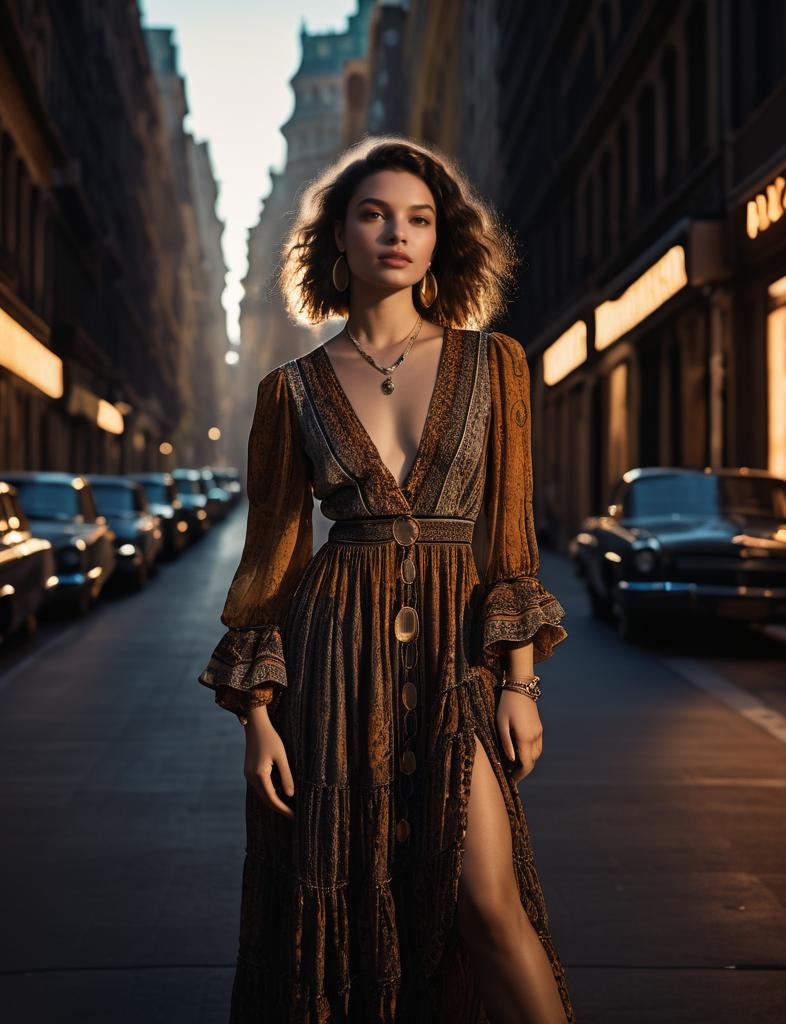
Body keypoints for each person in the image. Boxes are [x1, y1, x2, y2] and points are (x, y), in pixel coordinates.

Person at [198, 136, 575, 1023]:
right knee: (344, 900)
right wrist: (257, 719)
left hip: (458, 664)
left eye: (419, 218)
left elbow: (509, 540)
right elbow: (272, 564)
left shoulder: (496, 363)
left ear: (443, 241)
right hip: (334, 668)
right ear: (339, 238)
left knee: (487, 903)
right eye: (373, 214)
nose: (396, 234)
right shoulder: (289, 390)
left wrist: (521, 682)